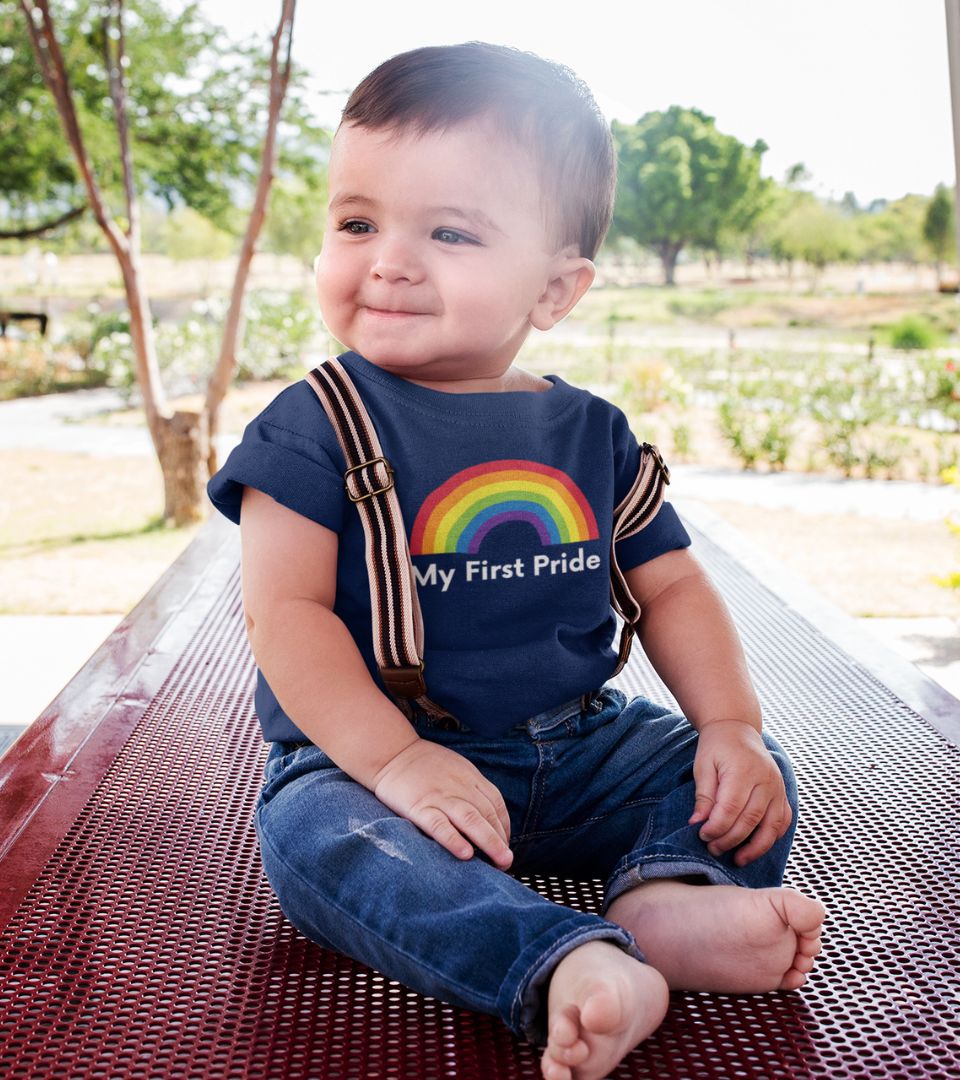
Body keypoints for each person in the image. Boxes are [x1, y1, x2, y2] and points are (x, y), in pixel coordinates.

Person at [207, 42, 825, 1080]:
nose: (388, 259)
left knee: (738, 778)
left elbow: (671, 582)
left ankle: (667, 902)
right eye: (357, 222)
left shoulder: (589, 433)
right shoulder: (313, 426)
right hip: (383, 761)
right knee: (317, 837)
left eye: (449, 231)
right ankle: (559, 960)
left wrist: (730, 725)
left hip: (579, 754)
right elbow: (288, 620)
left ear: (556, 288)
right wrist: (396, 763)